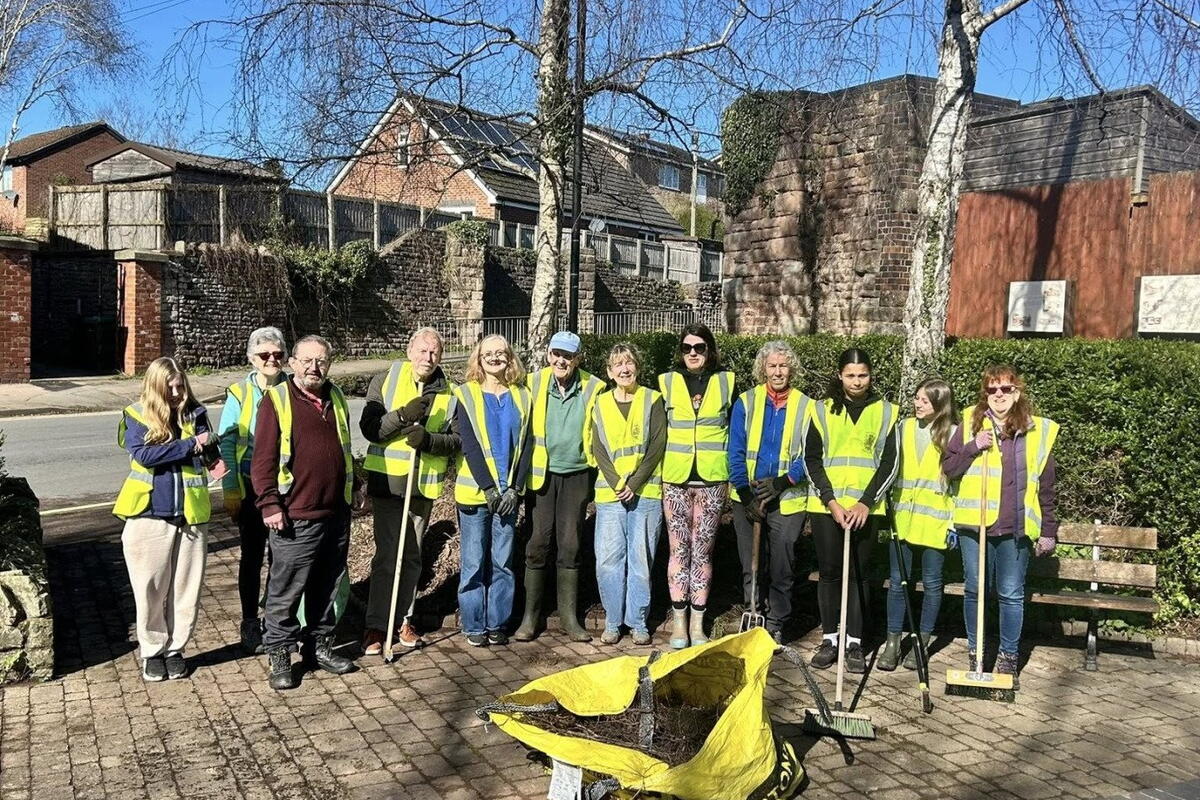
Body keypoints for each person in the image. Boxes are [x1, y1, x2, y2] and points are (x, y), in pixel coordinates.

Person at [942, 365, 1059, 688]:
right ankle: (976, 653)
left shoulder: (1038, 431)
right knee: (975, 589)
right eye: (992, 390)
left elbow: (1047, 487)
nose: (999, 396)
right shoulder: (969, 423)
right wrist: (972, 446)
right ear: (985, 394)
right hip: (974, 526)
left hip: (1015, 528)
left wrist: (1048, 530)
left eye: (1006, 389)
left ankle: (1007, 658)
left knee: (1010, 593)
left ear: (1017, 393)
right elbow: (948, 468)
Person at [252, 335, 357, 690]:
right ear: (293, 363)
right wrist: (269, 504)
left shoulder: (336, 397)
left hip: (335, 511)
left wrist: (353, 489)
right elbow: (263, 459)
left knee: (327, 586)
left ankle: (319, 647)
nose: (314, 368)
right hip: (294, 515)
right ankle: (280, 653)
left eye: (322, 361)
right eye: (307, 361)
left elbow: (343, 448)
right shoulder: (276, 400)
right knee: (285, 590)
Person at [114, 357, 219, 682]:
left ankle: (175, 649)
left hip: (191, 516)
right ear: (155, 387)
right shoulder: (136, 415)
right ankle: (151, 651)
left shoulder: (196, 413)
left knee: (187, 589)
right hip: (148, 515)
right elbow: (144, 455)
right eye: (169, 387)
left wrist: (212, 454)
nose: (177, 393)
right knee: (150, 589)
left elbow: (209, 452)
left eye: (180, 386)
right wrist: (191, 445)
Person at [360, 328, 459, 656]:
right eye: (421, 351)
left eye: (434, 353)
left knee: (413, 556)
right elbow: (371, 430)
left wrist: (428, 441)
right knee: (388, 555)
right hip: (389, 483)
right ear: (409, 350)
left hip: (422, 486)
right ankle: (376, 624)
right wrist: (403, 416)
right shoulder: (386, 380)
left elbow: (457, 440)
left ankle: (403, 620)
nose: (427, 358)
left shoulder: (450, 392)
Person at [805, 348, 899, 673]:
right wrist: (830, 501)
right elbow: (811, 460)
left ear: (870, 376)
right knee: (830, 573)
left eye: (863, 375)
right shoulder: (820, 411)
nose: (857, 381)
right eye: (850, 375)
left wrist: (865, 502)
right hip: (826, 508)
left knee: (859, 575)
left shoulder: (887, 412)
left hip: (865, 510)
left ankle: (854, 643)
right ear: (840, 375)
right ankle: (830, 639)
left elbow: (890, 463)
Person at [513, 331, 605, 643]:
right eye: (556, 354)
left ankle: (569, 617)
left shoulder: (594, 386)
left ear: (578, 358)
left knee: (571, 544)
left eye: (568, 355)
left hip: (577, 474)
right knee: (538, 542)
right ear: (548, 354)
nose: (561, 361)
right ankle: (531, 616)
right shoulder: (533, 382)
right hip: (542, 475)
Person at [728, 340, 812, 644]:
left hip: (787, 499)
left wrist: (783, 482)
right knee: (750, 562)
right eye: (772, 366)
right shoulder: (746, 402)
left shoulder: (806, 406)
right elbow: (735, 450)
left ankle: (777, 621)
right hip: (748, 495)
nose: (778, 372)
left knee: (783, 564)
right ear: (763, 369)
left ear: (792, 369)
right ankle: (754, 611)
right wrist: (745, 493)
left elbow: (812, 455)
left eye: (783, 366)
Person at [658, 323, 735, 649]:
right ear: (681, 350)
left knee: (702, 551)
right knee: (679, 551)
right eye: (687, 347)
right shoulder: (667, 382)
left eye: (699, 347)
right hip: (675, 478)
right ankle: (678, 625)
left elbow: (733, 430)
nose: (693, 353)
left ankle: (698, 624)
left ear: (709, 350)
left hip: (712, 480)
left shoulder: (726, 382)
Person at [453, 335, 531, 647]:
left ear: (510, 358)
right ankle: (473, 625)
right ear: (478, 359)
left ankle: (497, 623)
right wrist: (489, 488)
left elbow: (527, 445)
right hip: (475, 494)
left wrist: (514, 488)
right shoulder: (467, 394)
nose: (495, 358)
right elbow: (469, 445)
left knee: (503, 562)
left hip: (508, 495)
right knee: (473, 563)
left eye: (501, 353)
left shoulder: (522, 396)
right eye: (488, 353)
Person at [878, 377, 957, 672]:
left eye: (924, 400)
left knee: (933, 584)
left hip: (935, 522)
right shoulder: (903, 429)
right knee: (898, 582)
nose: (917, 403)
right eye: (916, 398)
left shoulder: (953, 434)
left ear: (939, 404)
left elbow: (958, 486)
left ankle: (921, 644)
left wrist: (951, 523)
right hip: (904, 519)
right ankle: (892, 643)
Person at [590, 343, 666, 645]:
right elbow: (599, 447)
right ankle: (612, 620)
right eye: (618, 365)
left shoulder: (652, 400)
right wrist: (617, 483)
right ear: (609, 372)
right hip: (611, 495)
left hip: (645, 492)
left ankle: (637, 622)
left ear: (637, 367)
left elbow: (657, 446)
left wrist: (633, 484)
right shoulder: (600, 403)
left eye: (629, 363)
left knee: (641, 559)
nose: (624, 369)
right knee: (608, 560)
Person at [219, 326, 288, 655]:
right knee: (252, 557)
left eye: (277, 355)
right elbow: (227, 443)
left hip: (285, 487)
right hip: (249, 489)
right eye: (264, 355)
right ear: (251, 359)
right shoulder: (239, 393)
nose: (272, 360)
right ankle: (249, 621)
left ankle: (277, 619)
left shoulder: (293, 389)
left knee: (282, 558)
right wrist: (231, 488)